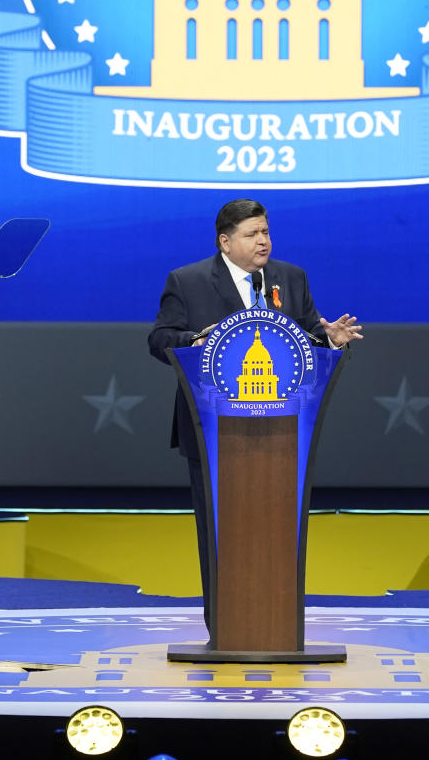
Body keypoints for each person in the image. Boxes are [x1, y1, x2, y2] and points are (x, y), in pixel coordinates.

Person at [148, 198, 362, 624]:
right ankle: (225, 626)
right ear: (225, 243)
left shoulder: (289, 278)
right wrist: (194, 342)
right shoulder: (187, 281)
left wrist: (329, 339)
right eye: (252, 234)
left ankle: (276, 625)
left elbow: (306, 339)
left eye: (265, 231)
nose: (263, 241)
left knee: (276, 532)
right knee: (220, 532)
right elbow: (159, 339)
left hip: (284, 430)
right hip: (213, 429)